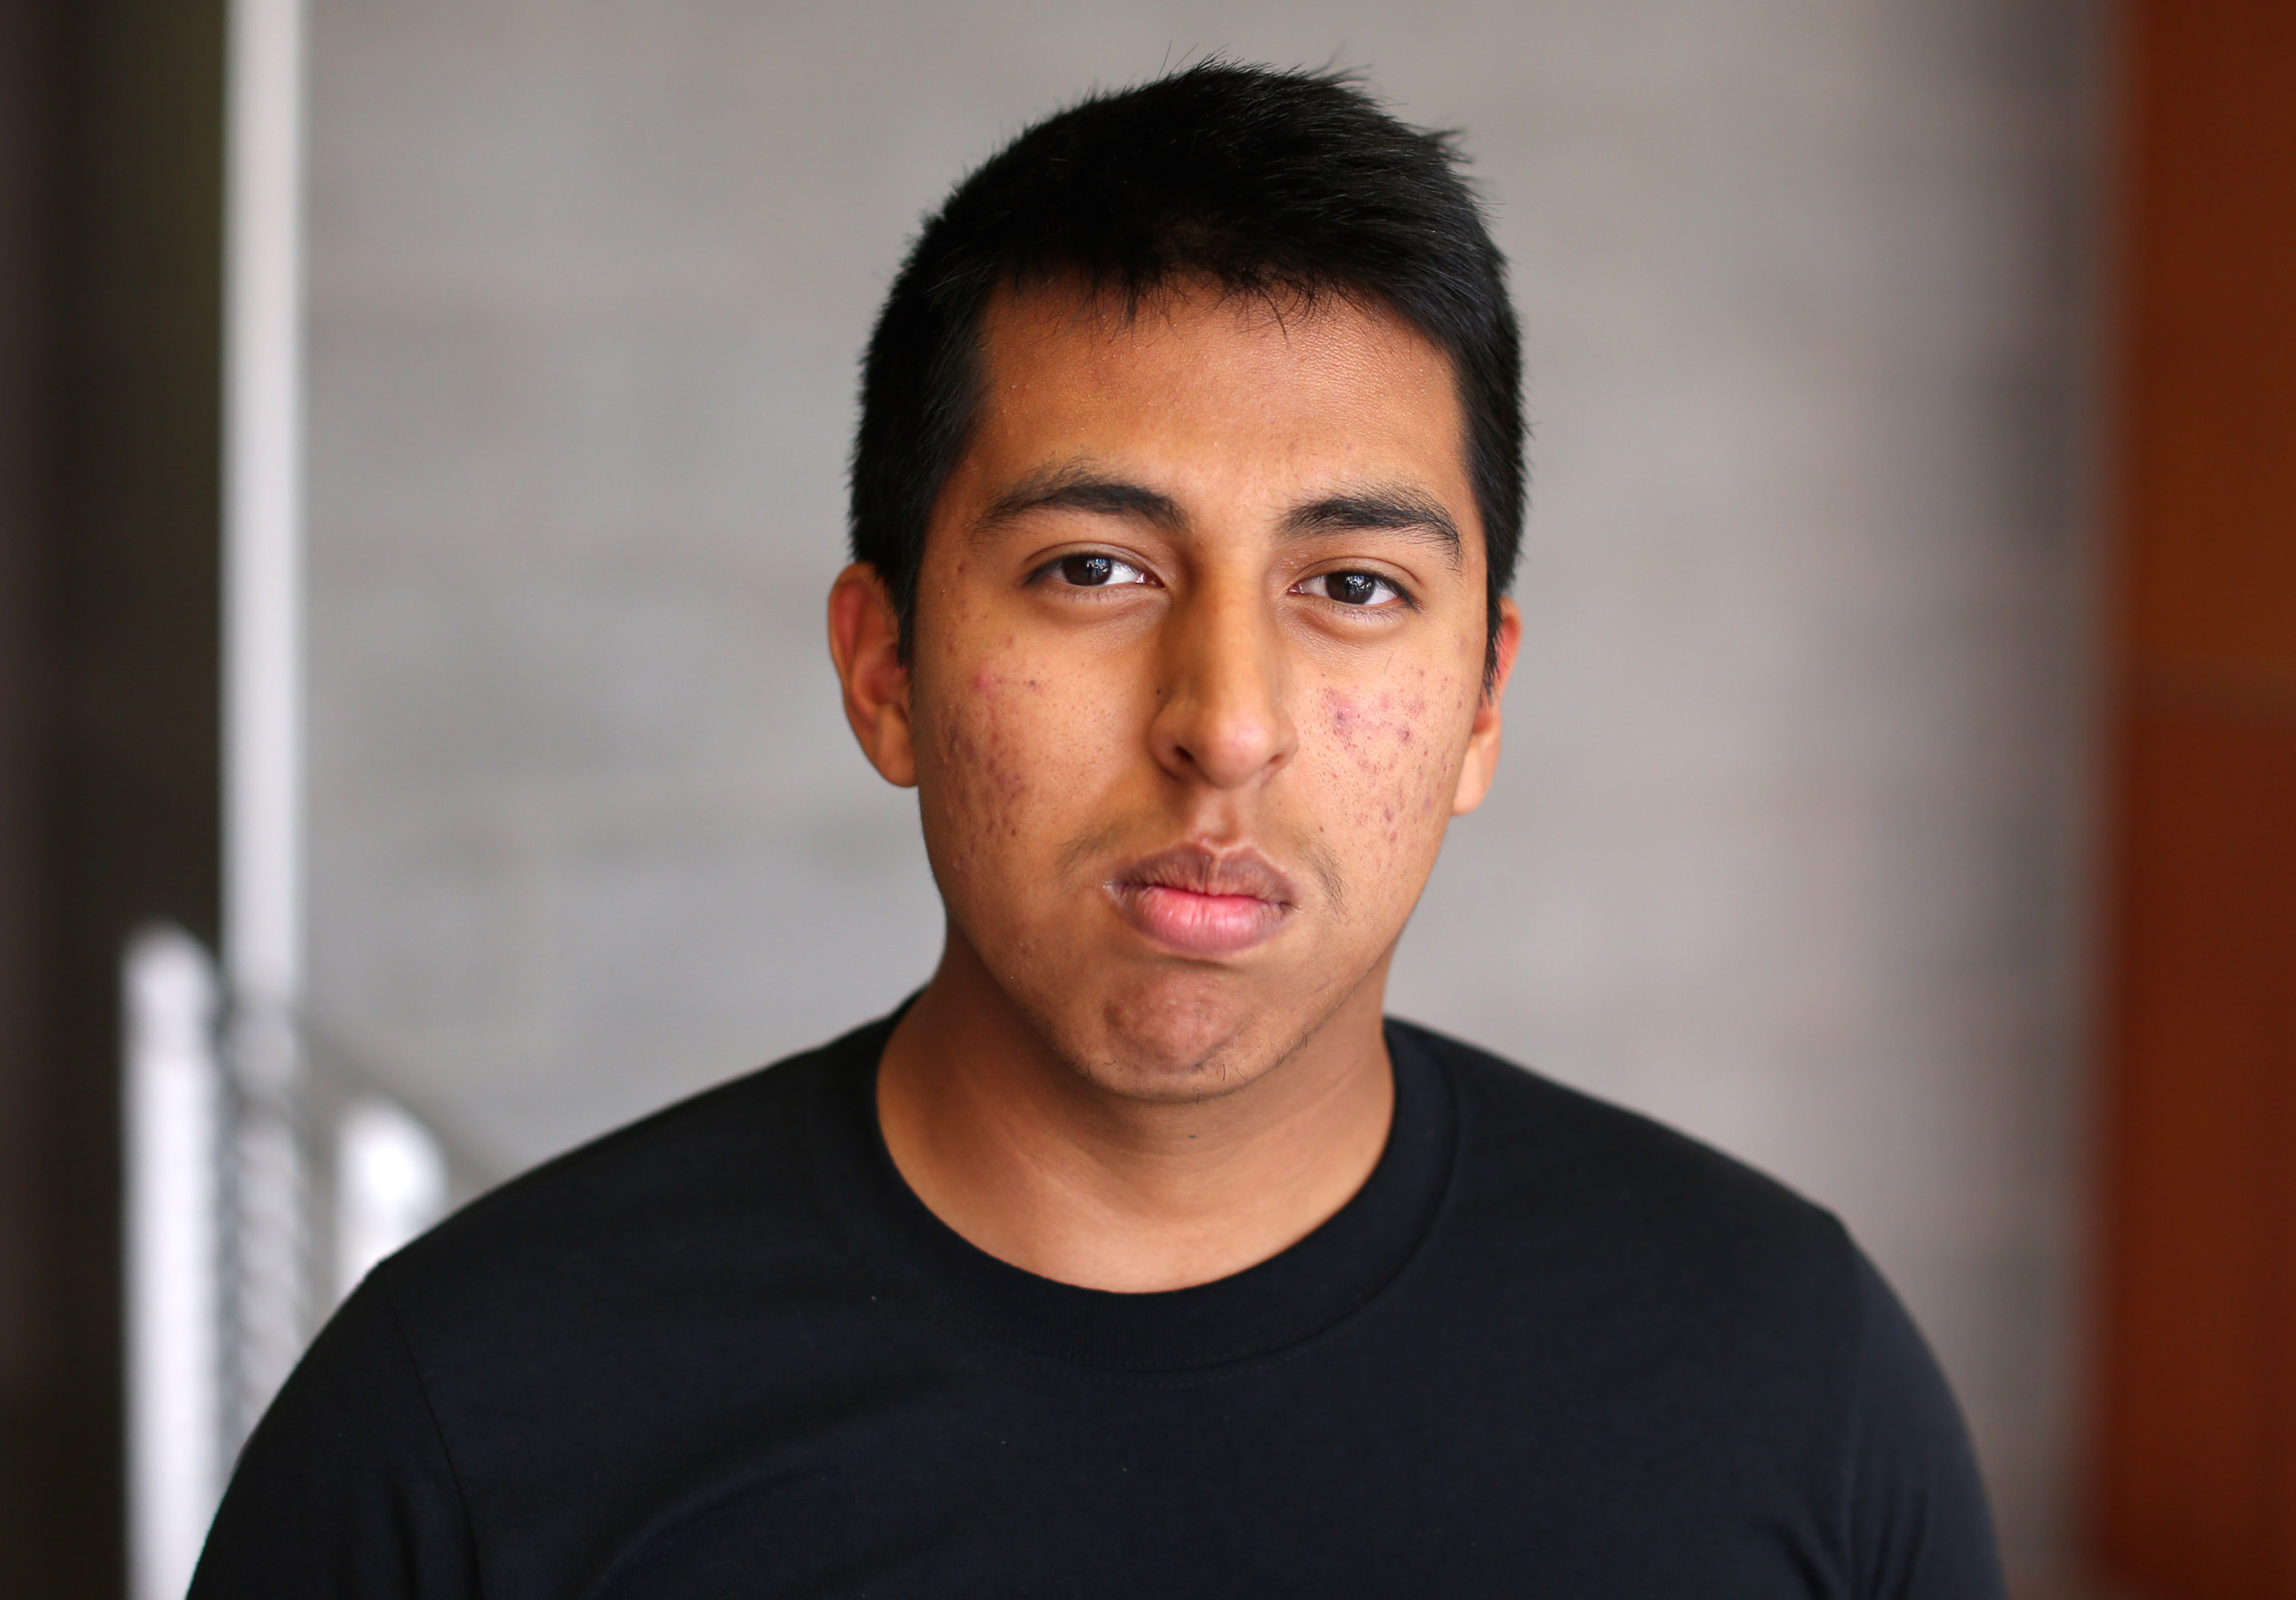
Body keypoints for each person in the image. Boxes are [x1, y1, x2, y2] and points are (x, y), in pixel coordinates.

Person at [192, 62, 2003, 1597]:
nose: (1222, 720)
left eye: (1354, 584)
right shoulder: (470, 1426)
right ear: (886, 662)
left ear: (1480, 701)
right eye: (1094, 569)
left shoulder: (1789, 1377)